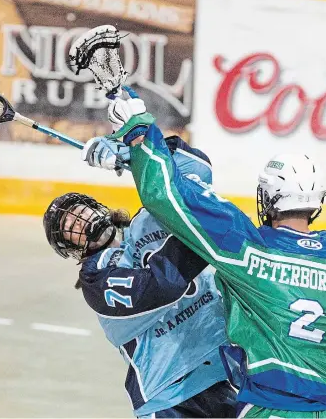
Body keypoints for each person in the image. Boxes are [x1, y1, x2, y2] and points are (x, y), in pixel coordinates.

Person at [82, 94, 326, 418]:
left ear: (266, 197)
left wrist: (138, 135)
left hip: (275, 406)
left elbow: (171, 199)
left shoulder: (249, 249)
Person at [43, 133, 237, 417]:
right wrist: (202, 227)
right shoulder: (96, 278)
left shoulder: (150, 217)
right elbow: (164, 285)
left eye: (78, 211)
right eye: (70, 225)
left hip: (227, 366)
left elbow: (199, 170)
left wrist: (136, 154)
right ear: (71, 249)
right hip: (169, 394)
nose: (79, 221)